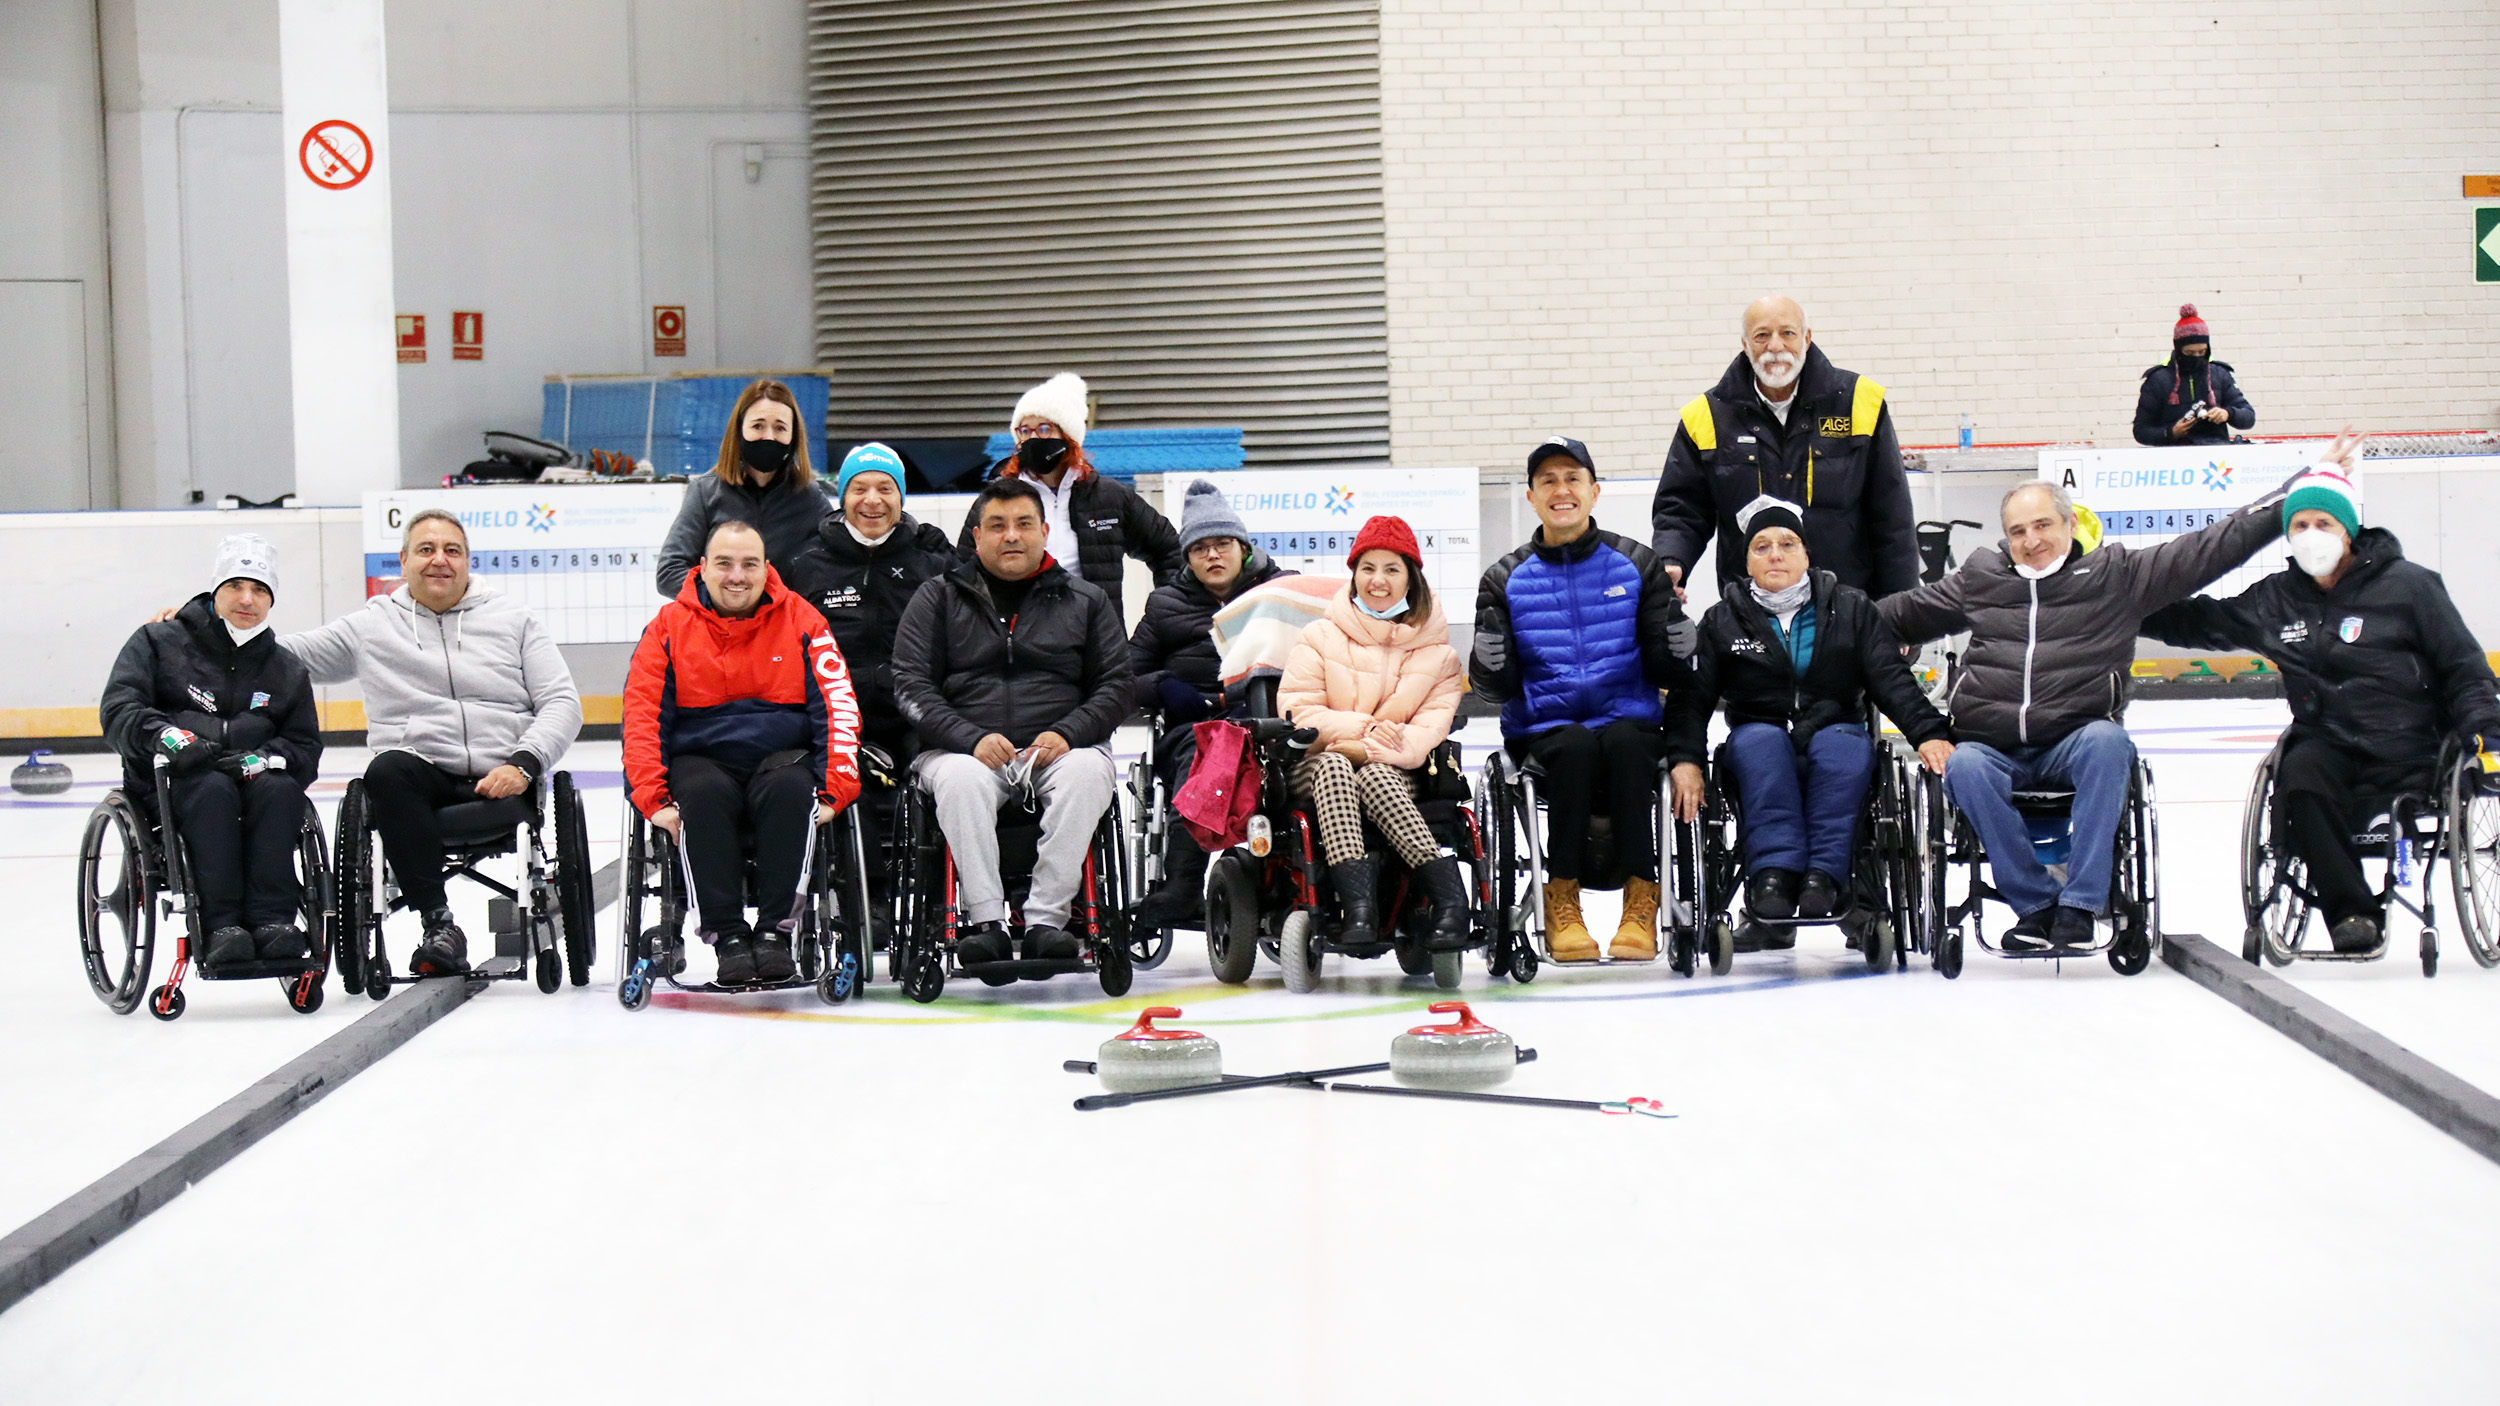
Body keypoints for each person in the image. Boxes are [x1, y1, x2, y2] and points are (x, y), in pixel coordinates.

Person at [1880, 476, 2286, 951]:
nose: (2030, 541)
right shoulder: (1982, 578)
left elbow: (2207, 550)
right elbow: (1883, 618)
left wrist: (2291, 501)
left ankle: (2081, 904)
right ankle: (2036, 906)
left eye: (2042, 525)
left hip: (2073, 741)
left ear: (2070, 525)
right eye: (2017, 531)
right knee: (1963, 764)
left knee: (2108, 743)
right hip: (1990, 746)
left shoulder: (2116, 576)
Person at [2141, 448, 2500, 953]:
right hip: (2327, 741)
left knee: (2343, 771)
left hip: (2412, 744)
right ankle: (2352, 914)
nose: (2312, 534)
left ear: (2348, 529)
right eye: (2301, 524)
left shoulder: (2412, 587)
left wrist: (2486, 735)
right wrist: (2120, 604)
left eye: (2324, 522)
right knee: (2300, 778)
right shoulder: (2275, 598)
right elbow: (2199, 623)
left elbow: (2464, 667)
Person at [286, 509, 583, 975]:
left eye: (452, 551)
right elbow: (282, 656)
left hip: (502, 772)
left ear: (468, 561)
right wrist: (201, 622)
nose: (438, 560)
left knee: (512, 763)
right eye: (425, 550)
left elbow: (563, 702)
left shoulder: (514, 619)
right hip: (418, 775)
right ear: (403, 562)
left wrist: (523, 764)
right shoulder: (372, 625)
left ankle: (511, 773)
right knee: (385, 771)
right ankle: (439, 924)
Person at [1667, 497, 1953, 949]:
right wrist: (1684, 759)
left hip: (1835, 728)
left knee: (1843, 747)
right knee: (1762, 745)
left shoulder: (1852, 609)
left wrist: (1929, 732)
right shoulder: (1722, 620)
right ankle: (1773, 881)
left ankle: (1824, 878)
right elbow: (1691, 698)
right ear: (1746, 560)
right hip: (1759, 735)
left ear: (1806, 554)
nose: (1775, 554)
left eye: (1786, 543)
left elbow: (1890, 678)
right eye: (1761, 546)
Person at [1471, 438, 1691, 962]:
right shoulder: (1504, 578)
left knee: (1625, 743)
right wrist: (1488, 663)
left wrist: (1682, 649)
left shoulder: (1636, 563)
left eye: (1572, 479)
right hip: (1546, 729)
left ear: (1594, 492)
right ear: (1530, 496)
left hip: (1626, 719)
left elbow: (1668, 669)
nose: (1561, 490)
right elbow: (1493, 689)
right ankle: (1561, 899)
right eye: (1548, 481)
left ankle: (1642, 902)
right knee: (1573, 745)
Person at [894, 477, 1131, 966]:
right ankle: (986, 924)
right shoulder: (935, 598)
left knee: (1089, 772)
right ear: (976, 537)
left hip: (1060, 750)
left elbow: (1117, 686)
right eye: (997, 526)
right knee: (961, 780)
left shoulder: (1087, 601)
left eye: (1024, 524)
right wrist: (970, 738)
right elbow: (911, 686)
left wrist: (1069, 733)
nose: (1011, 536)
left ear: (1044, 532)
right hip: (962, 752)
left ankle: (1047, 921)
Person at [624, 521, 862, 985]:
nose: (738, 575)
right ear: (703, 568)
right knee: (701, 794)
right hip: (701, 759)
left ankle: (775, 934)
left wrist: (836, 791)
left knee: (793, 789)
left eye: (750, 564)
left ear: (766, 568)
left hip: (781, 755)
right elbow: (641, 715)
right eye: (725, 564)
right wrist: (653, 799)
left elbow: (837, 707)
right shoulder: (667, 628)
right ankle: (728, 937)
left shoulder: (804, 621)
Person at [101, 535, 321, 967]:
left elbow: (304, 746)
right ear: (215, 590)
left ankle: (274, 921)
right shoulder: (157, 642)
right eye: (235, 586)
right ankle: (221, 924)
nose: (246, 598)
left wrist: (265, 757)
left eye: (259, 589)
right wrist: (163, 735)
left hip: (254, 779)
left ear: (270, 600)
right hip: (176, 782)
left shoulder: (286, 668)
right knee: (212, 790)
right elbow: (118, 709)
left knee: (280, 791)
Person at [1277, 516, 1470, 952]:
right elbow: (1300, 709)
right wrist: (1362, 731)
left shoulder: (1440, 656)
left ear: (1411, 579)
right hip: (1321, 763)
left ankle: (1450, 903)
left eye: (1391, 569)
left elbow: (1427, 729)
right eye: (1367, 568)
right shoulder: (1319, 636)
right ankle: (1358, 907)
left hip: (1396, 766)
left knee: (1376, 774)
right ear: (1353, 574)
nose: (1377, 580)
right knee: (1333, 765)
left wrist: (1367, 750)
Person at [1652, 295, 1918, 602]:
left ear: (1806, 338)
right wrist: (1671, 560)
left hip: (1847, 610)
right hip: (1748, 616)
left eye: (1787, 333)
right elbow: (1681, 510)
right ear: (1745, 344)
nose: (1775, 346)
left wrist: (1901, 609)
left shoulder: (1860, 404)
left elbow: (1892, 516)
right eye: (1762, 335)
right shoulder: (1705, 417)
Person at [1128, 479, 1295, 930]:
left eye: (1222, 544)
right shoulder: (1166, 605)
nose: (1213, 555)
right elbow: (1124, 676)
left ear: (1243, 547)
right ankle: (1183, 884)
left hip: (1274, 718)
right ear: (1187, 558)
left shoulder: (1282, 592)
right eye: (1200, 548)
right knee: (1212, 749)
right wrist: (1163, 685)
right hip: (1195, 727)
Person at [781, 442, 960, 760]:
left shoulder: (934, 561)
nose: (872, 500)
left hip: (917, 720)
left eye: (885, 488)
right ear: (843, 498)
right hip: (831, 720)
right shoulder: (807, 562)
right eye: (859, 488)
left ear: (901, 498)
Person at [955, 372, 1182, 617]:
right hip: (1017, 644)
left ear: (1068, 436)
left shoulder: (1110, 496)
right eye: (1024, 430)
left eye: (1044, 429)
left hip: (1095, 644)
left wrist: (1161, 622)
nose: (1033, 439)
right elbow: (962, 576)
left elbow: (1170, 550)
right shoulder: (995, 501)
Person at [656, 378, 830, 597]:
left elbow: (837, 568)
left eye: (780, 428)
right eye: (758, 426)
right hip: (720, 628)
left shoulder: (810, 498)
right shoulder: (706, 492)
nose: (769, 436)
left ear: (793, 437)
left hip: (784, 627)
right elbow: (669, 573)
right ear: (739, 431)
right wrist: (727, 597)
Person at [2132, 304, 2255, 446]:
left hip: (2216, 451)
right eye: (2189, 353)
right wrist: (2171, 432)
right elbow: (2141, 430)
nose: (2197, 357)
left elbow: (2249, 417)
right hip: (2175, 455)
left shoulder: (2219, 374)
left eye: (2202, 352)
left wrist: (2228, 414)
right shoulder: (2159, 379)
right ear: (2178, 349)